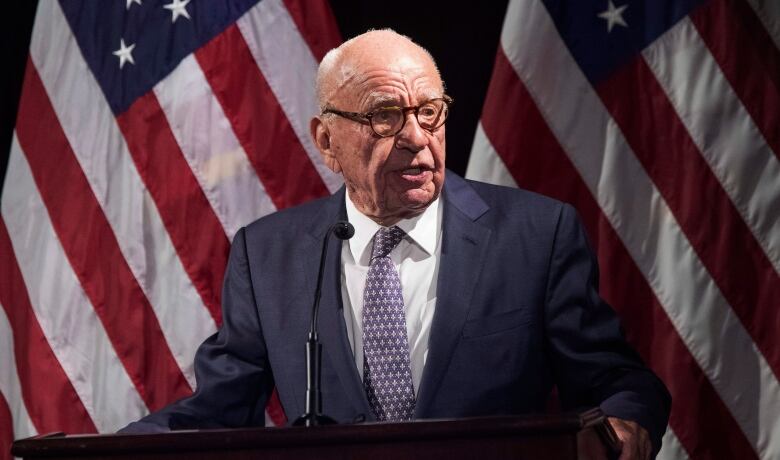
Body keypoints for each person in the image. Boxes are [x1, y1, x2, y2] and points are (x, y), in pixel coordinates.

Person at [121, 29, 670, 459]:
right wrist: (104, 453)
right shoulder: (268, 256)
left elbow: (615, 379)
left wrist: (629, 418)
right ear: (326, 140)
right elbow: (217, 408)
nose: (416, 137)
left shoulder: (534, 236)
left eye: (429, 111)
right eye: (384, 116)